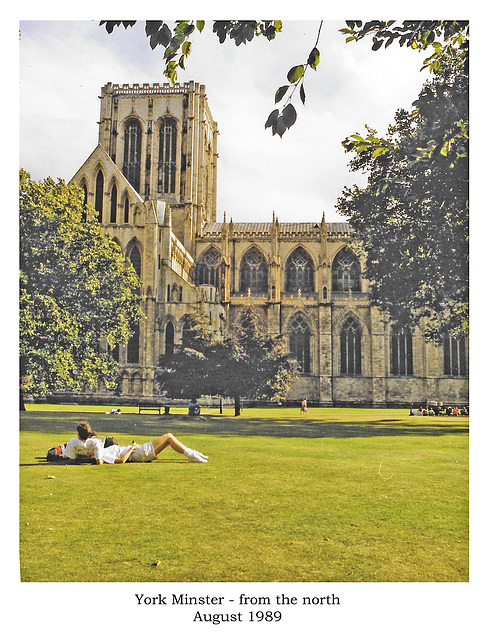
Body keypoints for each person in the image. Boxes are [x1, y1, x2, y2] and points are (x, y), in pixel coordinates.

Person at [65, 422, 208, 465]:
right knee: (169, 437)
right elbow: (121, 461)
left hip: (137, 453)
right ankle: (192, 454)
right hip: (138, 454)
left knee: (168, 442)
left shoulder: (99, 448)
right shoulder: (102, 453)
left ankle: (193, 454)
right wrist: (133, 447)